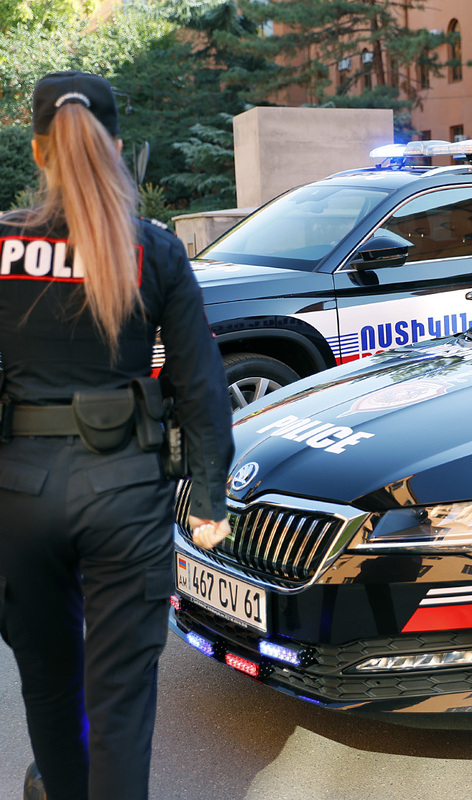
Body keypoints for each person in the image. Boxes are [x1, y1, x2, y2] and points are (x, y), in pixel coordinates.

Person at [0, 71, 233, 800]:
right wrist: (210, 498)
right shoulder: (154, 250)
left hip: (20, 493)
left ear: (38, 150)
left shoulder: (4, 244)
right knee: (120, 702)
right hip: (125, 493)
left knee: (47, 682)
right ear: (118, 146)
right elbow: (200, 385)